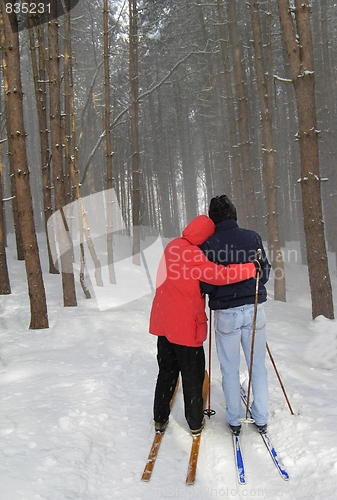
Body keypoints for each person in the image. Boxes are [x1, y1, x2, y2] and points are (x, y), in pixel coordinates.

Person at [149, 214, 260, 436]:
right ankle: (194, 423)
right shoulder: (193, 254)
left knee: (167, 372)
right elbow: (219, 275)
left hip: (163, 323)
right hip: (185, 326)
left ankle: (160, 419)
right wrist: (250, 268)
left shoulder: (172, 246)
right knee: (193, 376)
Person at [200, 195, 271, 435]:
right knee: (257, 366)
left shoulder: (209, 244)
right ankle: (261, 416)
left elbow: (207, 284)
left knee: (230, 368)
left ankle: (234, 419)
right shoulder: (252, 237)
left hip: (226, 313)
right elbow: (265, 272)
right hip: (253, 309)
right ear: (234, 213)